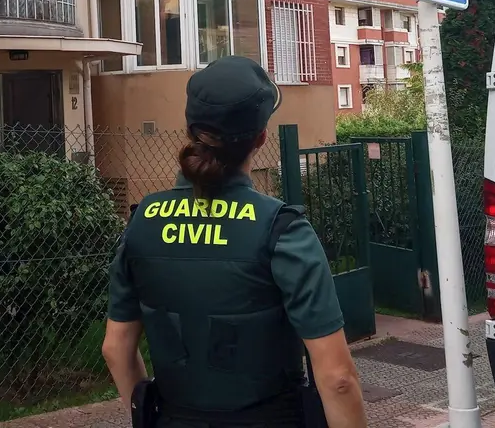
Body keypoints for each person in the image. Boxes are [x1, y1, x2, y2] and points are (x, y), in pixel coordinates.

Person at [102, 56, 367, 428]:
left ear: (191, 131)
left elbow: (116, 349)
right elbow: (338, 379)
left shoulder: (142, 222)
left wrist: (150, 416)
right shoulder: (282, 230)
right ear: (260, 138)